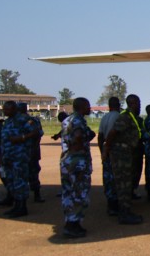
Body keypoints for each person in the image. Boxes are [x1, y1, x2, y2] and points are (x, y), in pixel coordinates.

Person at [102, 94, 144, 224]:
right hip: (121, 155)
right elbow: (112, 133)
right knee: (123, 184)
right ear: (133, 103)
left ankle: (125, 211)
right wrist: (106, 149)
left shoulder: (131, 116)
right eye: (138, 103)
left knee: (126, 182)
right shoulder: (125, 116)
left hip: (126, 153)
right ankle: (124, 214)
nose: (139, 105)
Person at [60, 97, 96, 238]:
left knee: (68, 192)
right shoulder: (78, 121)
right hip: (77, 161)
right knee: (80, 192)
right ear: (82, 107)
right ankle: (74, 224)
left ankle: (69, 222)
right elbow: (78, 138)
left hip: (66, 160)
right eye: (88, 106)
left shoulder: (66, 120)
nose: (90, 108)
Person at [0, 101, 33, 218]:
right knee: (11, 180)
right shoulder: (7, 121)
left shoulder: (23, 120)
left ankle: (22, 206)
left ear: (14, 109)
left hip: (19, 155)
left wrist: (21, 138)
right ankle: (16, 205)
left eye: (8, 109)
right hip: (8, 156)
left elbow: (34, 132)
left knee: (20, 180)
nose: (5, 111)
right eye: (4, 109)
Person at [17, 103, 45, 203]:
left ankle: (18, 198)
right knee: (33, 173)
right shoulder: (34, 120)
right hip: (32, 151)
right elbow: (40, 134)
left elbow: (37, 133)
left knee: (19, 175)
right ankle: (37, 195)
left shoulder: (17, 121)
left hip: (20, 152)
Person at [98, 97, 121, 215]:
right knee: (116, 178)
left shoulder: (104, 117)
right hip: (115, 152)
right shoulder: (118, 116)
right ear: (119, 105)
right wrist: (108, 148)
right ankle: (115, 205)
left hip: (106, 151)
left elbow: (100, 136)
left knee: (107, 178)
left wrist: (102, 151)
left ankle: (110, 203)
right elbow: (113, 133)